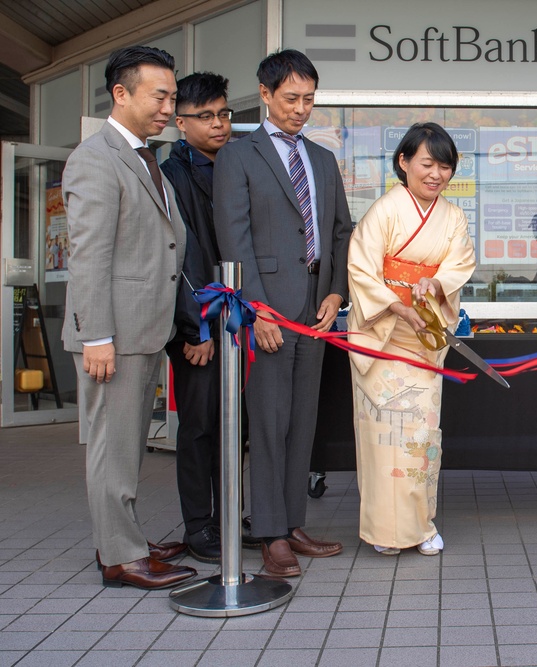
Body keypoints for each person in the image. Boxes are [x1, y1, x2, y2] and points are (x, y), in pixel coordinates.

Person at [61, 45, 196, 589]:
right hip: (111, 334)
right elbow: (88, 254)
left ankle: (127, 540)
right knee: (113, 449)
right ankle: (119, 557)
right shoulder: (95, 159)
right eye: (159, 95)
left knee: (127, 444)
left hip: (142, 330)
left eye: (172, 96)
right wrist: (96, 335)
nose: (168, 107)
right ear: (122, 93)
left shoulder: (144, 158)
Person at [214, 49, 351, 577]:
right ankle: (269, 533)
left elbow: (340, 231)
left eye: (309, 99)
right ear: (266, 95)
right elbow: (235, 239)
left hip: (315, 313)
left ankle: (293, 521)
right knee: (268, 424)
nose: (301, 109)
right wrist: (258, 310)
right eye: (291, 98)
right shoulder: (238, 156)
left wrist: (336, 294)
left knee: (302, 422)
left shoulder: (321, 159)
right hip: (268, 313)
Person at [347, 122, 475, 556]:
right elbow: (361, 270)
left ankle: (421, 525)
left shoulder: (453, 217)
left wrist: (435, 285)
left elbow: (460, 263)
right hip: (382, 339)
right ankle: (386, 531)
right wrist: (398, 304)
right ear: (403, 163)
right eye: (427, 163)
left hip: (423, 338)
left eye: (445, 166)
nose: (436, 174)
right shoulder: (384, 210)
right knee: (384, 438)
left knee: (421, 436)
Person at [159, 72, 233, 563]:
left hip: (238, 320)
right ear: (181, 122)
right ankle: (199, 527)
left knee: (233, 427)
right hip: (198, 327)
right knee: (200, 427)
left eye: (224, 114)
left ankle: (229, 517)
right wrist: (196, 328)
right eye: (205, 116)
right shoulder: (171, 175)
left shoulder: (236, 164)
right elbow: (179, 257)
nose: (218, 124)